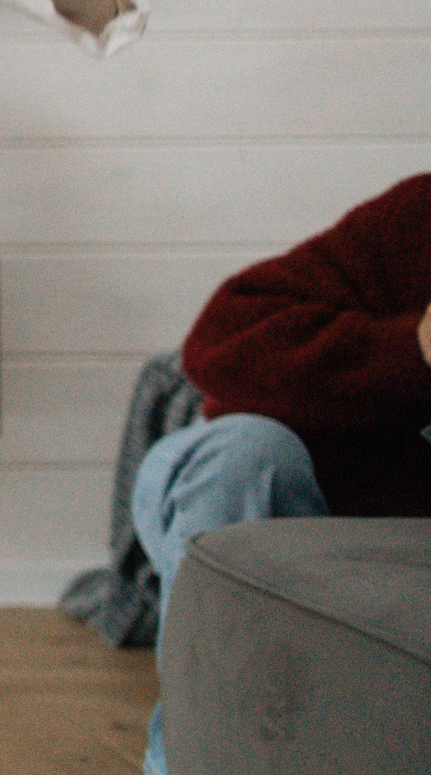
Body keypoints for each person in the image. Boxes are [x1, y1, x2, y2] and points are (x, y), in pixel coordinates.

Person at [129, 173, 431, 774]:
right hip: (272, 490)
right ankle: (188, 760)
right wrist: (412, 347)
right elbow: (218, 338)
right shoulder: (419, 219)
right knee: (245, 451)